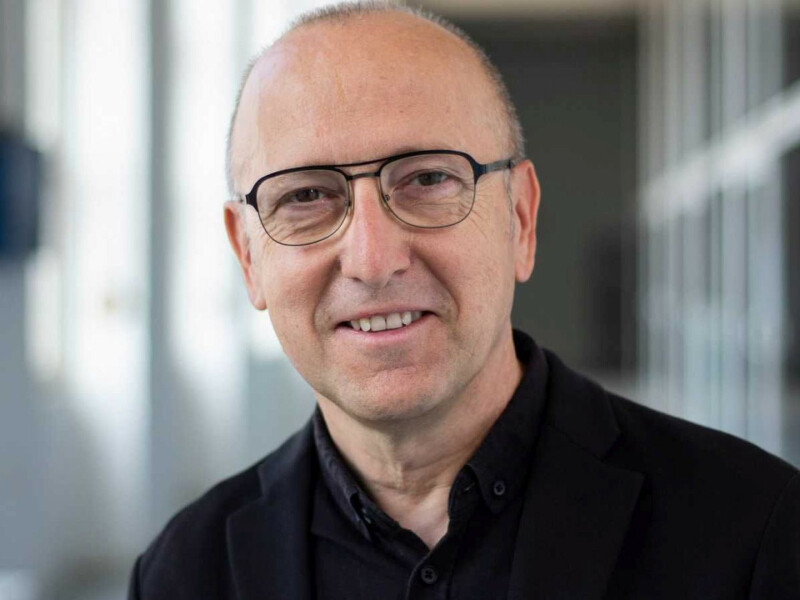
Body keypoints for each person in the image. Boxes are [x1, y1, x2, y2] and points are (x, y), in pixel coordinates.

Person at [129, 2, 800, 598]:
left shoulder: (753, 531)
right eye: (306, 196)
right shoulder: (183, 574)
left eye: (427, 179)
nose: (372, 259)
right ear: (248, 257)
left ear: (521, 220)